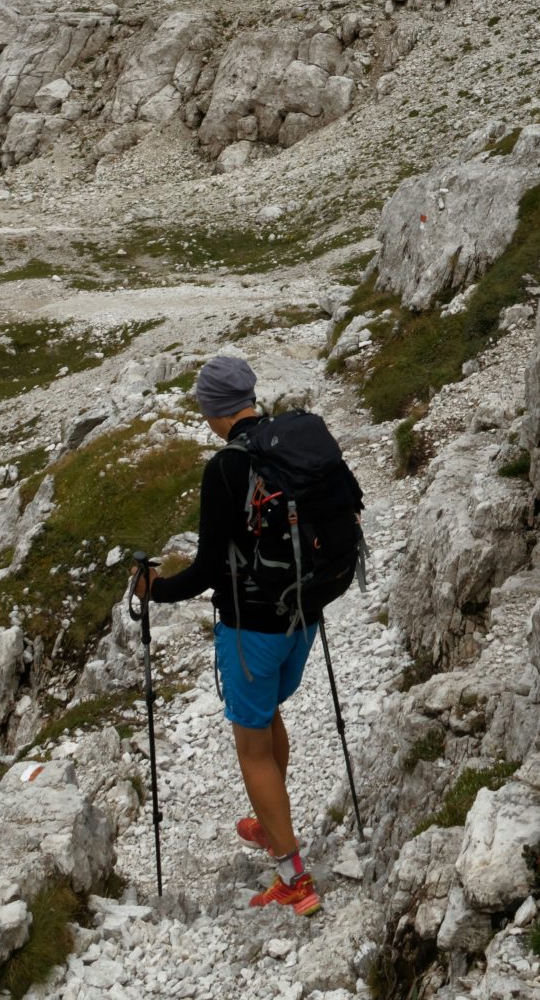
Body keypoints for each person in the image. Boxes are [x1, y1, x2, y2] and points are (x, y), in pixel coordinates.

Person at [135, 353, 346, 917]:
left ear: (211, 409)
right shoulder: (290, 445)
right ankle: (271, 821)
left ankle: (293, 878)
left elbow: (206, 570)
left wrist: (153, 590)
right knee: (268, 714)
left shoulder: (226, 468)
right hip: (306, 614)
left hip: (251, 629)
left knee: (250, 747)